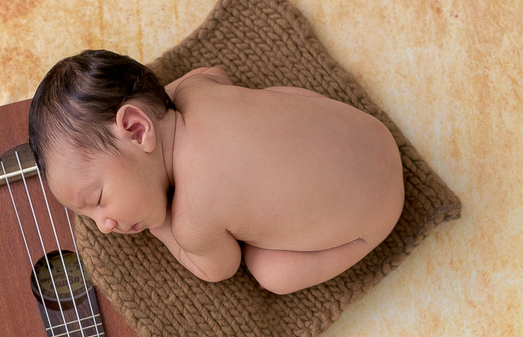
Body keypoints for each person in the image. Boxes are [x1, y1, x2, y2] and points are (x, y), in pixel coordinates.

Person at [28, 50, 404, 295]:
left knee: (270, 273)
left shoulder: (192, 220)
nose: (105, 226)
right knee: (271, 97)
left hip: (377, 210)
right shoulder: (195, 89)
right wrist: (161, 101)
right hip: (370, 133)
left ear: (138, 130)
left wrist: (162, 226)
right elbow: (216, 73)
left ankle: (359, 235)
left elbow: (218, 268)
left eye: (97, 200)